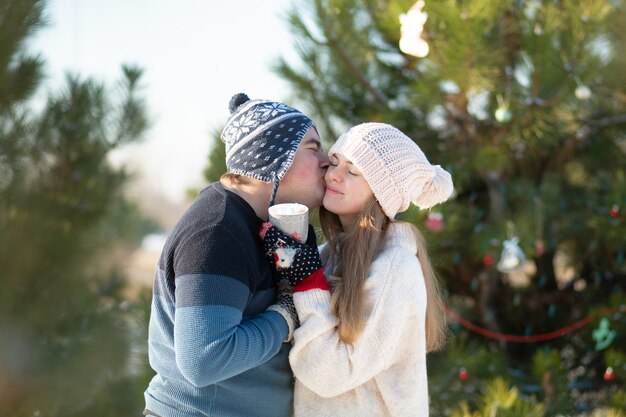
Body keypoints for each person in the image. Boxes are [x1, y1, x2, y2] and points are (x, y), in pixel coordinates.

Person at [143, 93, 329, 417]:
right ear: (272, 158)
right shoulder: (217, 232)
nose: (327, 161)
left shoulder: (261, 226)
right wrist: (284, 317)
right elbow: (205, 359)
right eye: (313, 149)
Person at [260, 122, 454, 416]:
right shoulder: (328, 255)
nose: (333, 174)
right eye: (335, 162)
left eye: (352, 171)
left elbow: (329, 374)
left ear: (381, 193)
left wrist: (306, 282)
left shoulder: (395, 270)